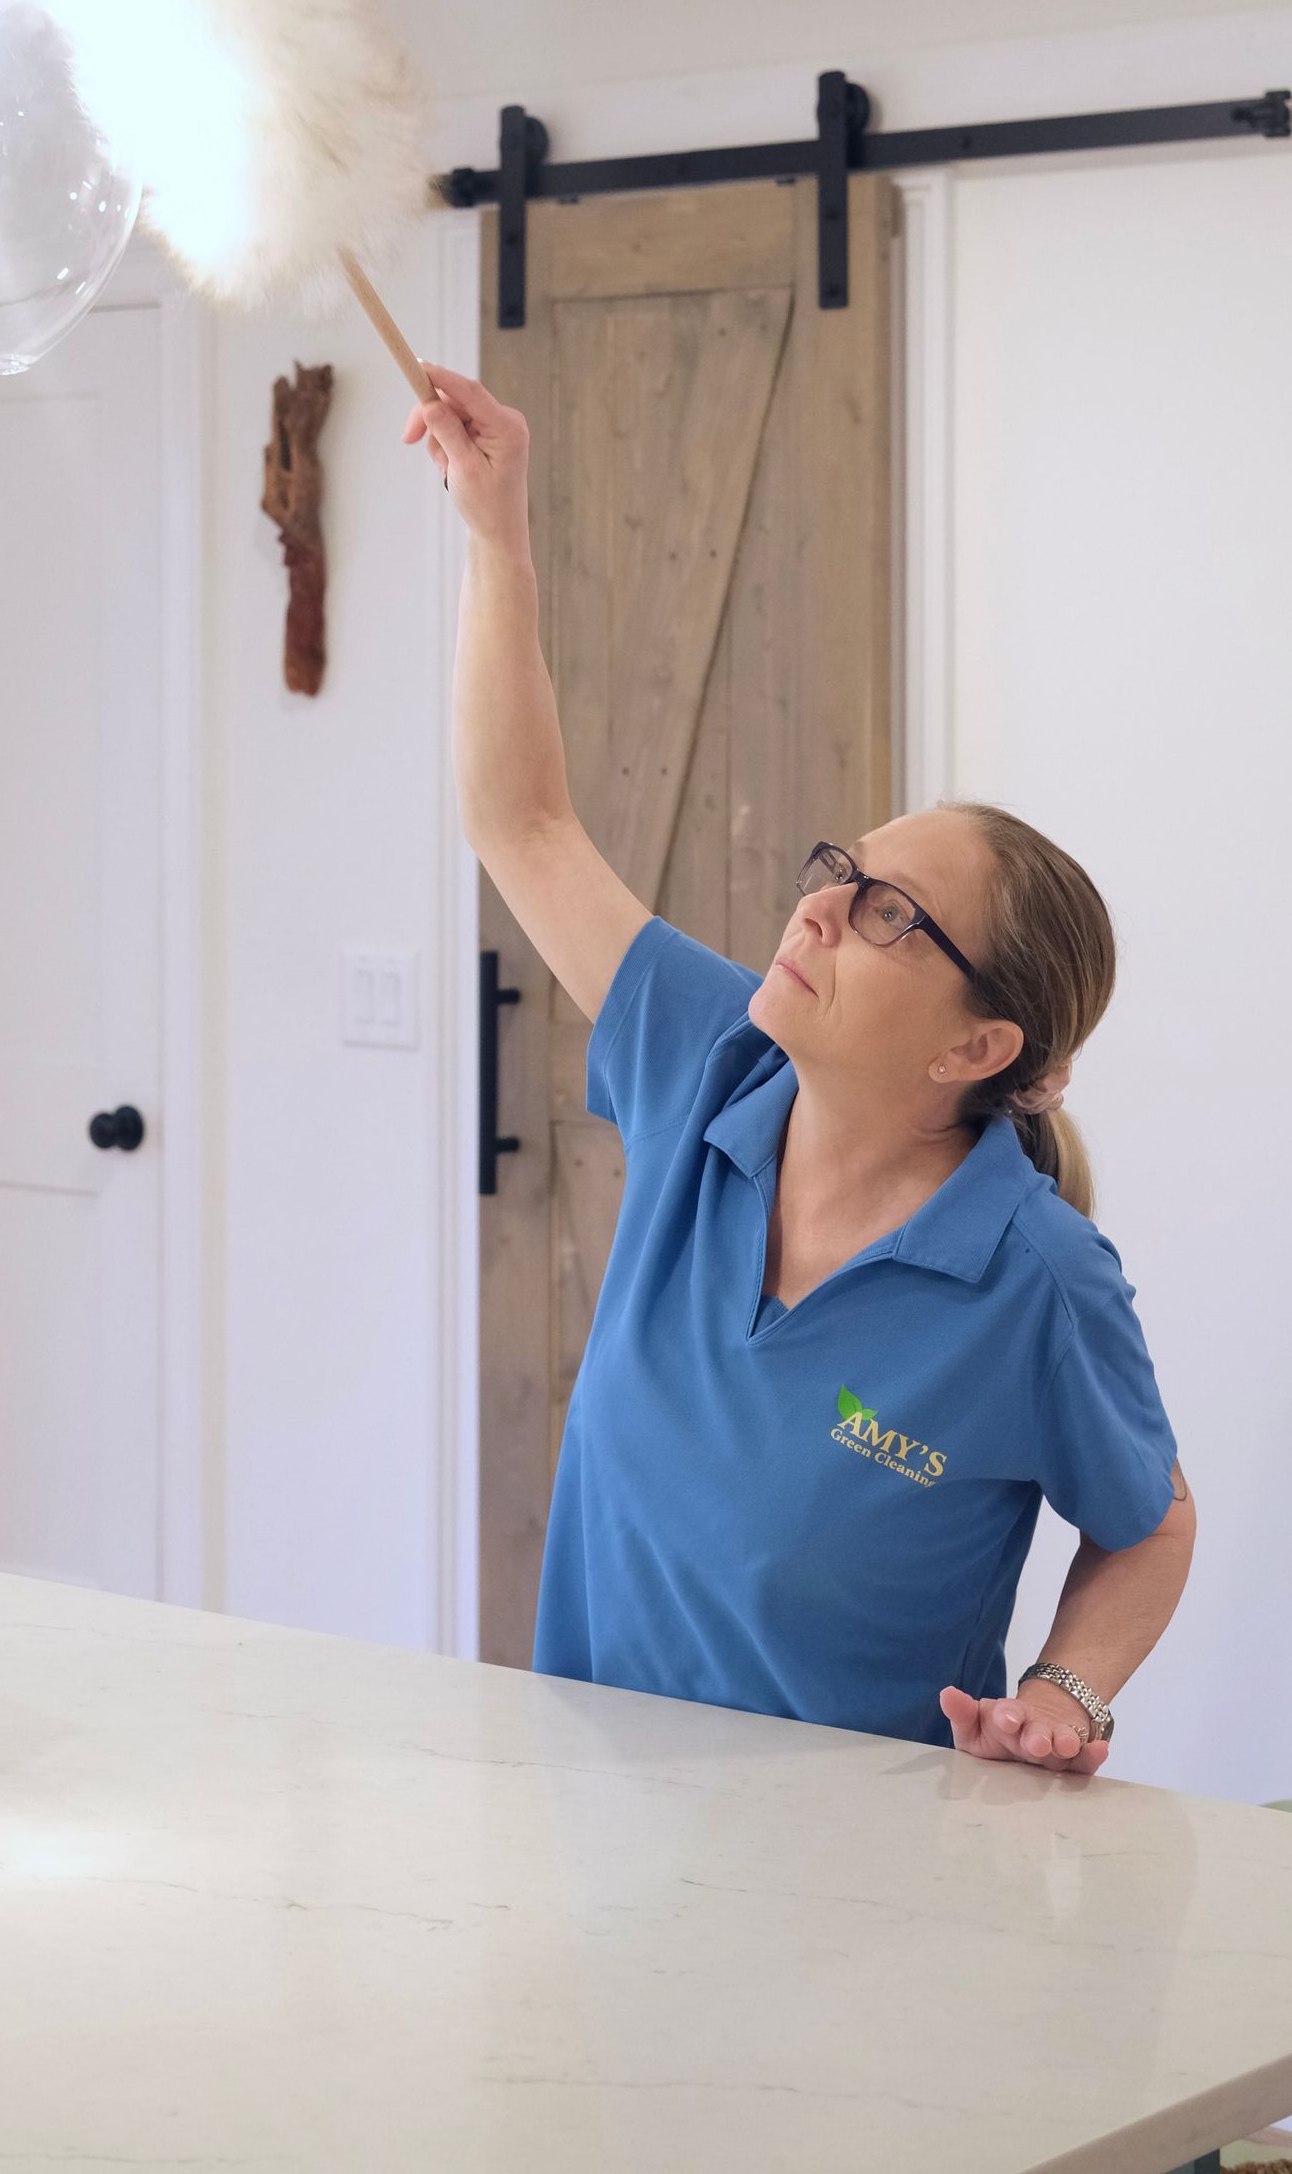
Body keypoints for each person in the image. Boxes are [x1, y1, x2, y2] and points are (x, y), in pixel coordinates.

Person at [407, 360, 1193, 1775]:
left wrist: (1065, 1694)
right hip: (581, 1825)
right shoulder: (711, 1067)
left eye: (890, 914)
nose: (818, 907)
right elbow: (519, 820)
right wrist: (494, 532)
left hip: (856, 1900)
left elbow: (1150, 1524)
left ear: (978, 1046)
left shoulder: (1040, 1280)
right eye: (843, 870)